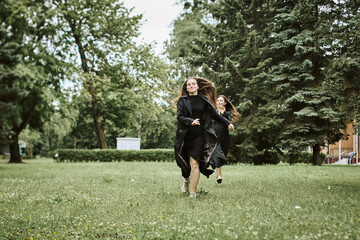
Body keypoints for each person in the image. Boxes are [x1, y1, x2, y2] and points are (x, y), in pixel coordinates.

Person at [172, 77, 234, 198]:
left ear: (197, 86)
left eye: (193, 84)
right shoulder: (182, 101)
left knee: (195, 163)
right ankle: (186, 180)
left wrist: (228, 123)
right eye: (188, 84)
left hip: (199, 136)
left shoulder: (203, 100)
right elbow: (180, 117)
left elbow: (216, 115)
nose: (191, 86)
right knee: (184, 165)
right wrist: (191, 121)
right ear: (186, 88)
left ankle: (192, 194)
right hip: (185, 136)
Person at [211, 95, 240, 184]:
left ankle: (217, 170)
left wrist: (223, 114)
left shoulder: (228, 113)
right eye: (218, 101)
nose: (219, 102)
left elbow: (228, 121)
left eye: (221, 101)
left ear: (225, 103)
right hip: (214, 136)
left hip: (224, 137)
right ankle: (219, 176)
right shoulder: (213, 112)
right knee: (217, 154)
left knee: (222, 155)